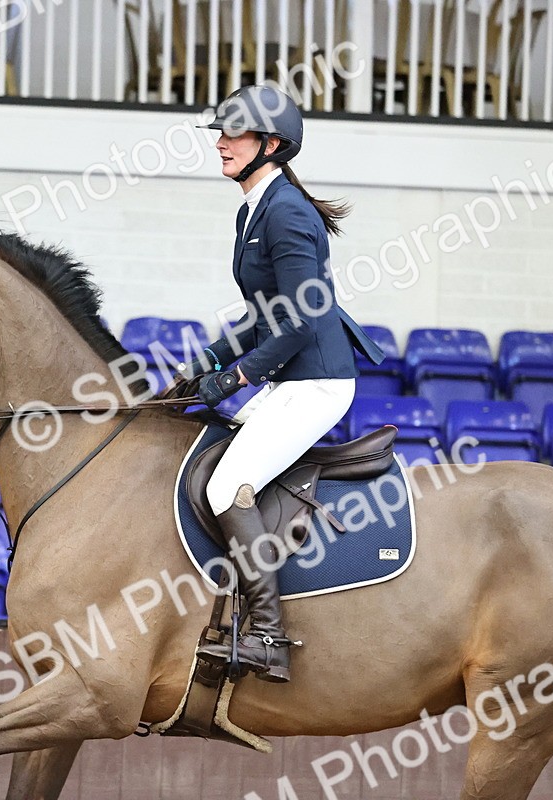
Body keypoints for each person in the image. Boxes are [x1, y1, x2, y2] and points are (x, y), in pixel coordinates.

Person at [175, 85, 387, 683]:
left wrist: (237, 376)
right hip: (292, 378)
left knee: (227, 488)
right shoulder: (255, 207)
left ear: (270, 144)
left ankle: (267, 633)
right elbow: (265, 313)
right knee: (214, 458)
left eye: (232, 134)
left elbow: (298, 319)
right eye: (220, 133)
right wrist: (209, 362)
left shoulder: (286, 212)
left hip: (316, 383)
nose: (220, 143)